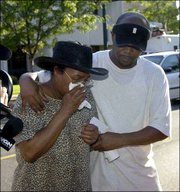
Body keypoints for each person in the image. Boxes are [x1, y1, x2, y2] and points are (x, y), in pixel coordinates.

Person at [19, 12, 171, 191]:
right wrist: (26, 80)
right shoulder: (92, 63)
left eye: (135, 47)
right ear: (113, 36)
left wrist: (118, 140)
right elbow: (49, 75)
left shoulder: (154, 74)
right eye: (124, 44)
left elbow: (161, 129)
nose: (129, 50)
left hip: (140, 177)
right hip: (96, 179)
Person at [11, 41, 108, 191]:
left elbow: (92, 136)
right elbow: (29, 153)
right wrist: (65, 110)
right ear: (57, 70)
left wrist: (94, 137)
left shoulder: (85, 94)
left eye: (86, 79)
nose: (82, 84)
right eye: (77, 79)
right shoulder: (31, 99)